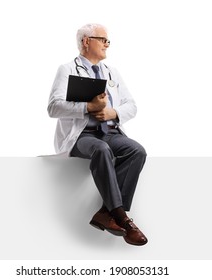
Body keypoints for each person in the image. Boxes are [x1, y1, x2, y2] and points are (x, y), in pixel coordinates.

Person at [47, 23, 147, 246]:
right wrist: (88, 107)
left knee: (136, 150)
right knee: (101, 149)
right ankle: (123, 218)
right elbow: (53, 107)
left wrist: (113, 112)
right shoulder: (67, 69)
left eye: (107, 41)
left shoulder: (112, 72)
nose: (107, 45)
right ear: (86, 41)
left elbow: (132, 105)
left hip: (110, 131)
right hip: (82, 135)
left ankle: (106, 212)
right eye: (103, 40)